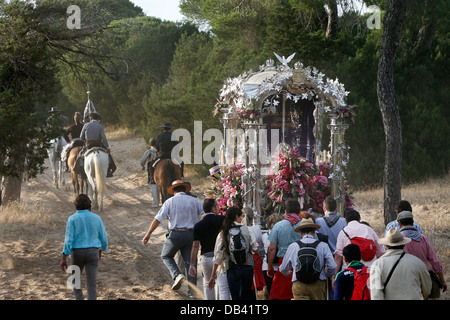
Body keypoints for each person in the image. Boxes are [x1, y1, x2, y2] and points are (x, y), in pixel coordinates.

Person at [142, 180, 203, 293]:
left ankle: (177, 274)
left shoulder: (169, 201)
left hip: (175, 235)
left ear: (174, 191)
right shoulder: (195, 201)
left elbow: (158, 219)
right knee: (191, 264)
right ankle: (192, 292)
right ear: (185, 190)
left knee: (166, 255)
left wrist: (148, 233)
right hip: (192, 235)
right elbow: (205, 213)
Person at [60, 194, 108, 300]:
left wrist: (64, 256)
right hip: (92, 253)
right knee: (91, 285)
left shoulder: (72, 219)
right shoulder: (97, 218)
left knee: (75, 281)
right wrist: (102, 249)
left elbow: (68, 240)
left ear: (76, 206)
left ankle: (79, 298)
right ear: (90, 206)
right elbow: (104, 239)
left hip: (77, 254)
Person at [279, 218, 336, 300]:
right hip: (318, 283)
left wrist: (294, 273)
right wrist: (325, 275)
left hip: (299, 284)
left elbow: (283, 268)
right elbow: (333, 266)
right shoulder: (323, 245)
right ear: (314, 231)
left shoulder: (293, 246)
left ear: (300, 232)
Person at [208, 207, 258, 300]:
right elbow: (255, 248)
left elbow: (218, 257)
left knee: (235, 297)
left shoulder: (223, 232)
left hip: (232, 268)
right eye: (240, 217)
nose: (241, 219)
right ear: (236, 216)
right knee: (246, 296)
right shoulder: (247, 229)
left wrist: (212, 275)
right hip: (247, 267)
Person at [370, 227, 432, 300]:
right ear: (404, 244)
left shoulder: (377, 265)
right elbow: (427, 289)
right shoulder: (417, 262)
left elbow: (376, 295)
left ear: (386, 246)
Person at [398, 210, 447, 297]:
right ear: (413, 222)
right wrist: (442, 280)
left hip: (405, 278)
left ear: (399, 223)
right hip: (424, 277)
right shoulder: (423, 238)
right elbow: (435, 261)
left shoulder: (398, 239)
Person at [188, 199, 228, 300]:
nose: (218, 208)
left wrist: (192, 264)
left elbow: (195, 246)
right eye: (217, 206)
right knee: (220, 283)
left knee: (207, 284)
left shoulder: (198, 225)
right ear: (213, 208)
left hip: (206, 257)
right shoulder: (223, 219)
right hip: (220, 257)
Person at [267, 200, 303, 300]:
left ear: (286, 212)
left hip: (283, 263)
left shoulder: (278, 226)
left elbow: (272, 248)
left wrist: (270, 266)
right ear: (299, 212)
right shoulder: (305, 225)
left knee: (279, 295)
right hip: (302, 263)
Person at [315, 196, 347, 299]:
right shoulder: (343, 221)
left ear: (324, 209)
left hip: (324, 258)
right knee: (336, 286)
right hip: (340, 257)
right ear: (336, 208)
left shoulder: (318, 222)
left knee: (323, 287)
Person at [80, 112, 116, 177]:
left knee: (81, 156)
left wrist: (84, 142)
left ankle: (82, 171)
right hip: (99, 144)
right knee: (108, 155)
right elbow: (104, 138)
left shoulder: (86, 125)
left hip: (88, 145)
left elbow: (81, 137)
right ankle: (108, 171)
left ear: (91, 118)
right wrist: (107, 147)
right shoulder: (100, 126)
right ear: (98, 119)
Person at [243, 207, 266, 294]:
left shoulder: (241, 229)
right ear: (252, 217)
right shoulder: (257, 229)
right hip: (256, 258)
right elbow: (260, 245)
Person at [262, 213, 283, 299]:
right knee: (281, 295)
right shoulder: (283, 236)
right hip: (280, 268)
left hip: (266, 267)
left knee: (271, 293)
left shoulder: (264, 236)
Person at [140, 139, 159, 207]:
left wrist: (142, 166)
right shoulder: (159, 151)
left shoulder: (149, 151)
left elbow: (142, 161)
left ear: (150, 144)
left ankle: (155, 203)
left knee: (153, 185)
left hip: (152, 169)